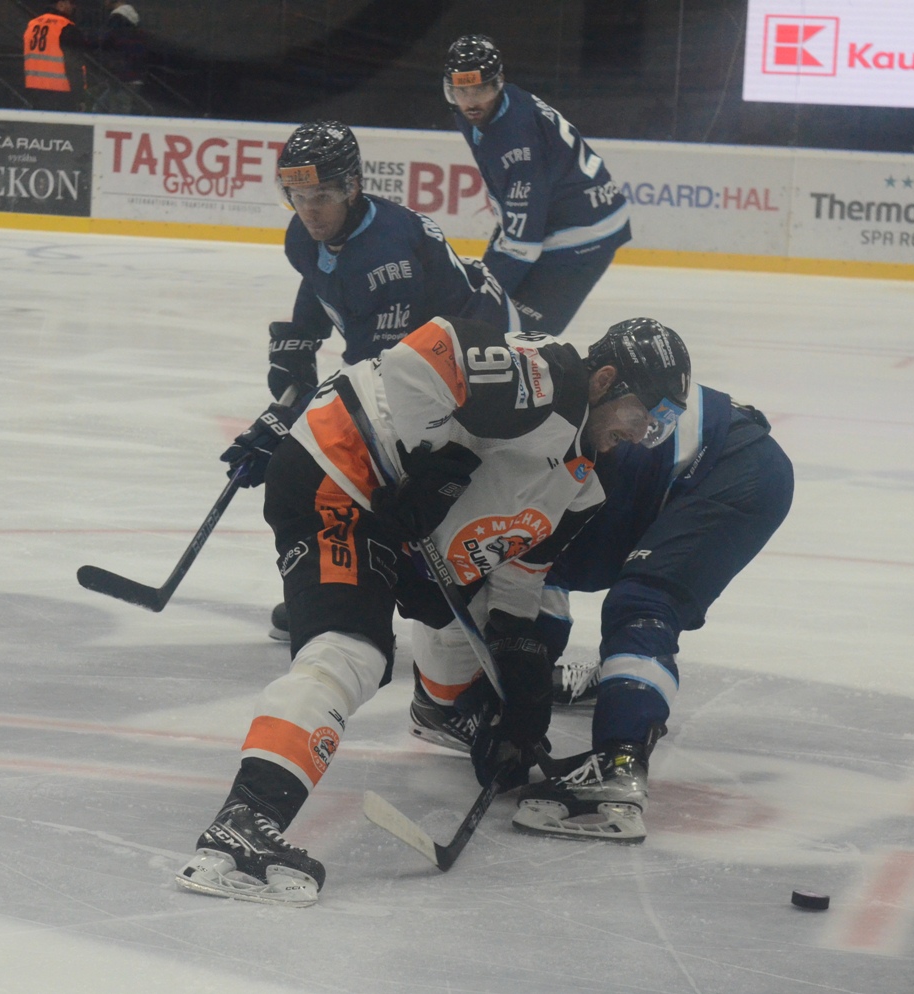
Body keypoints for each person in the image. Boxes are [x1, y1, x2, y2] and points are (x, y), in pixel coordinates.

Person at [177, 315, 692, 906]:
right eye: (645, 412)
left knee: (443, 628)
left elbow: (522, 568)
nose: (645, 433)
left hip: (384, 514)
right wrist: (428, 462)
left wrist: (518, 659)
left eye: (663, 422)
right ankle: (245, 821)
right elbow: (420, 357)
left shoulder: (586, 481)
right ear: (605, 380)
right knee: (350, 650)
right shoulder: (550, 380)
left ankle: (455, 713)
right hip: (340, 470)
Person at [219, 120, 517, 640]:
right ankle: (338, 588)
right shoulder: (307, 234)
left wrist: (290, 419)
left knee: (379, 467)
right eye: (297, 196)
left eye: (322, 195)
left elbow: (375, 384)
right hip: (420, 354)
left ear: (352, 187)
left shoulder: (387, 258)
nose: (309, 210)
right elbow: (321, 278)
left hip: (477, 364)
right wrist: (300, 339)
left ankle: (364, 590)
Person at [498, 330, 792, 842]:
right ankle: (617, 695)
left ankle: (619, 767)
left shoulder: (579, 434)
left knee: (643, 602)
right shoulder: (568, 420)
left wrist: (519, 687)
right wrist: (521, 685)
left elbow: (540, 570)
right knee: (588, 581)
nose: (637, 434)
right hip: (722, 468)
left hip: (740, 473)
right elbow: (546, 570)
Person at [443, 34, 631, 337]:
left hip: (585, 232)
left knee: (517, 337)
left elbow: (522, 246)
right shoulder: (479, 112)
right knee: (482, 314)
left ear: (499, 82)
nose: (471, 102)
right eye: (460, 91)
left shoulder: (518, 141)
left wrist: (480, 302)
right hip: (554, 214)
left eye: (481, 89)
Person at [23, 0, 90, 113]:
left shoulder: (32, 25)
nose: (73, 7)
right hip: (62, 93)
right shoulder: (67, 28)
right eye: (71, 3)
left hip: (35, 91)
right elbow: (73, 66)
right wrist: (79, 97)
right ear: (61, 4)